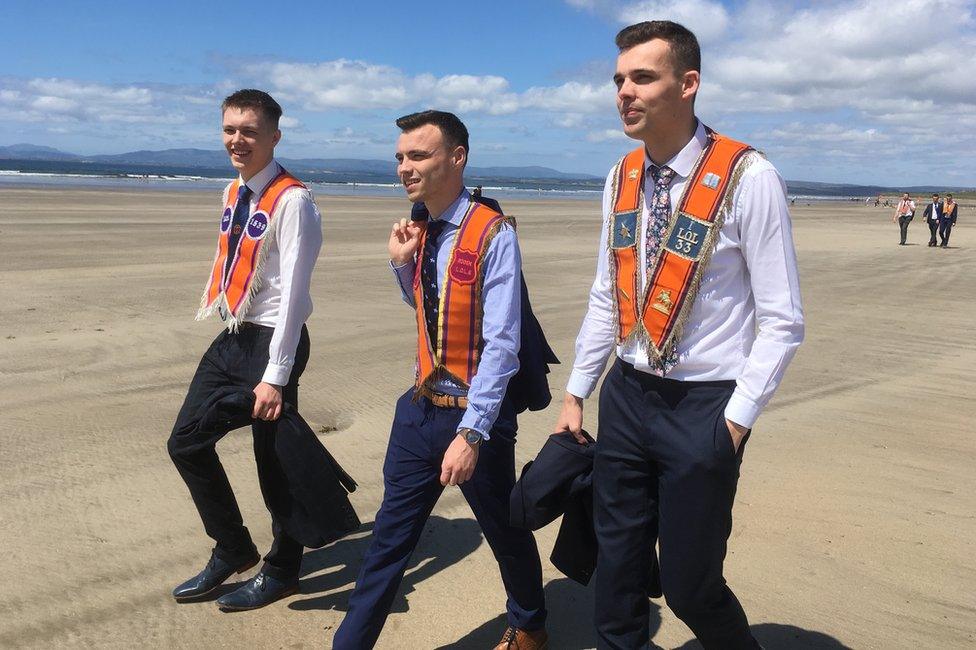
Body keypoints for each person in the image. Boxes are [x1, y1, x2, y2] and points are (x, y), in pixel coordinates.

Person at [553, 21, 805, 649]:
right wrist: (578, 391)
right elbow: (607, 294)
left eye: (643, 77)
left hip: (706, 406)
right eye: (619, 80)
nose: (624, 93)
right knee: (616, 569)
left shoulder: (749, 177)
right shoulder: (621, 176)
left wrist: (735, 421)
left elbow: (782, 319)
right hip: (629, 397)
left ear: (688, 84)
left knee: (691, 583)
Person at [333, 110, 548, 650]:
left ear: (457, 157)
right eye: (400, 157)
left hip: (476, 417)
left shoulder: (491, 232)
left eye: (419, 156)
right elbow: (426, 310)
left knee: (504, 531)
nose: (405, 167)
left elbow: (503, 343)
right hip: (419, 410)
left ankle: (530, 624)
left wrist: (472, 433)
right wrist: (401, 265)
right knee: (388, 541)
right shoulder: (421, 226)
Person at [167, 89, 326, 611]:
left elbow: (295, 296)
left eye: (250, 131)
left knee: (274, 460)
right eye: (230, 129)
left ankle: (282, 571)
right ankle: (233, 546)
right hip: (235, 333)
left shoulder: (293, 200)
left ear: (273, 137)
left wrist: (275, 376)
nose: (238, 139)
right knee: (186, 442)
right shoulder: (233, 192)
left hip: (273, 343)